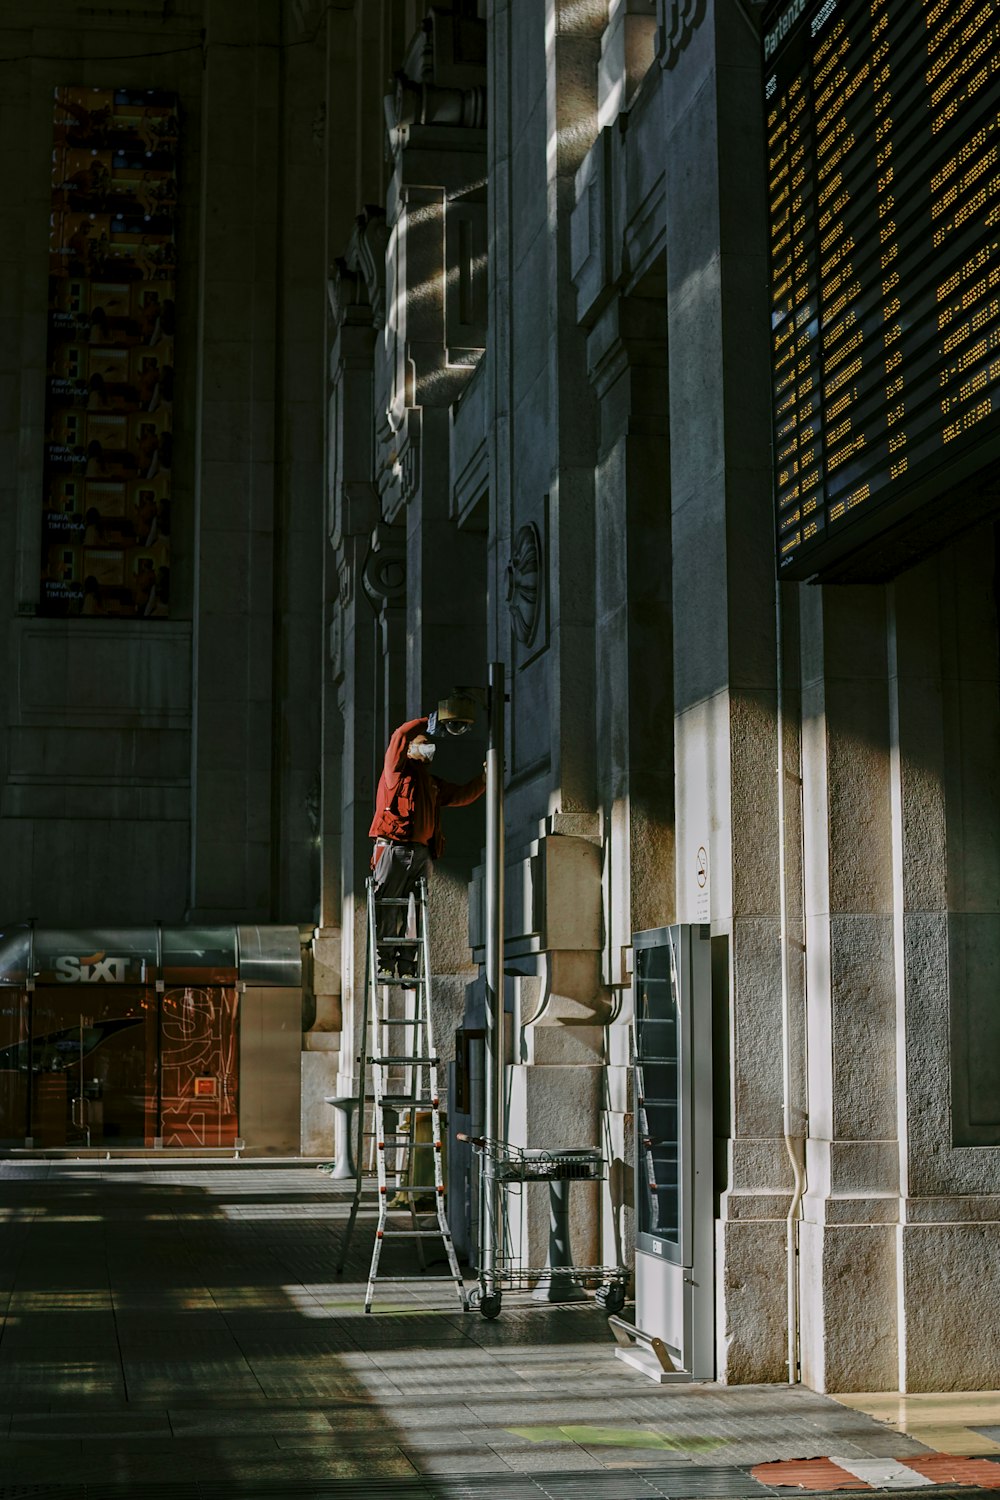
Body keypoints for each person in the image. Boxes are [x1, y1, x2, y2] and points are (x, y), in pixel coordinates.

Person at [369, 716, 485, 979]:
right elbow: (399, 733)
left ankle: (408, 966)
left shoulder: (431, 782)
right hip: (393, 849)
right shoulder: (396, 772)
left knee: (415, 909)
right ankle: (386, 962)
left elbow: (460, 795)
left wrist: (484, 780)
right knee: (389, 907)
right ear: (409, 750)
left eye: (431, 746)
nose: (429, 749)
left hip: (421, 853)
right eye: (423, 744)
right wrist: (431, 720)